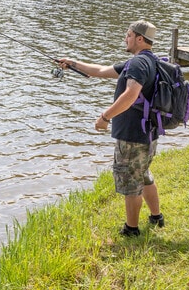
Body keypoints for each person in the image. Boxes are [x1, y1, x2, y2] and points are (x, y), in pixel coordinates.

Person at [59, 20, 165, 237]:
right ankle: (156, 217)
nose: (125, 39)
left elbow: (131, 94)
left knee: (130, 180)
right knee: (143, 174)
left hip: (134, 134)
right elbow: (99, 71)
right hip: (148, 132)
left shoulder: (138, 64)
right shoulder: (149, 61)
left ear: (139, 38)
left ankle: (131, 230)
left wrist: (105, 117)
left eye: (128, 35)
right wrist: (72, 63)